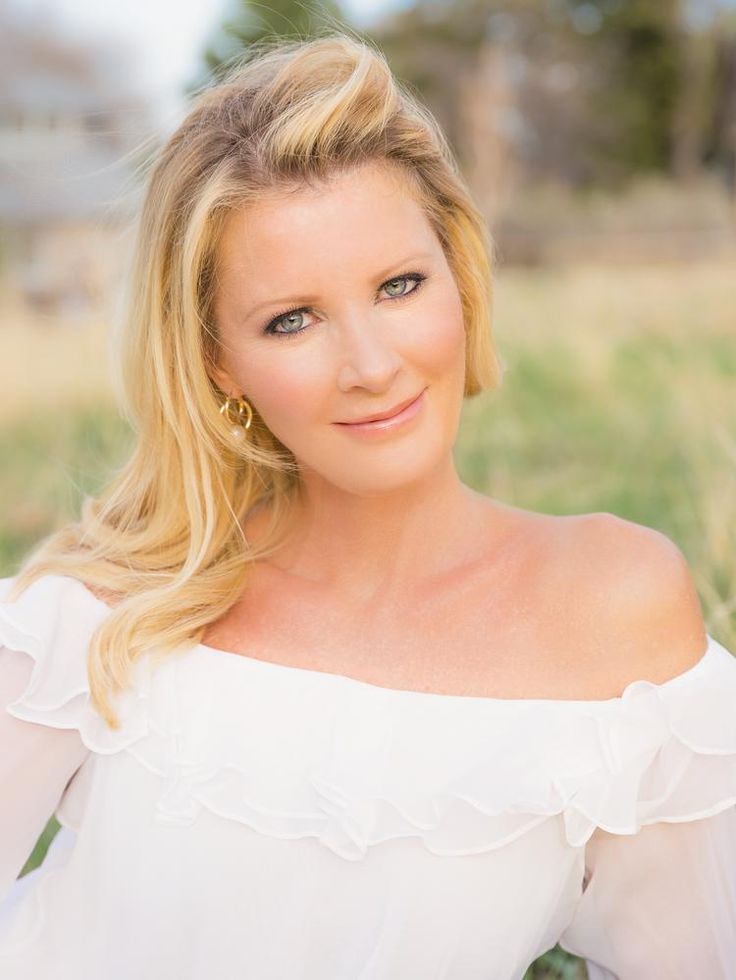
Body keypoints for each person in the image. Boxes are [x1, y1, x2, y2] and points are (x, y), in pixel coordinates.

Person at [1, 31, 734, 980]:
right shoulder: (109, 606)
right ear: (218, 361)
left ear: (460, 277)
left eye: (399, 285)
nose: (373, 366)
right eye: (291, 320)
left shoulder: (616, 609)